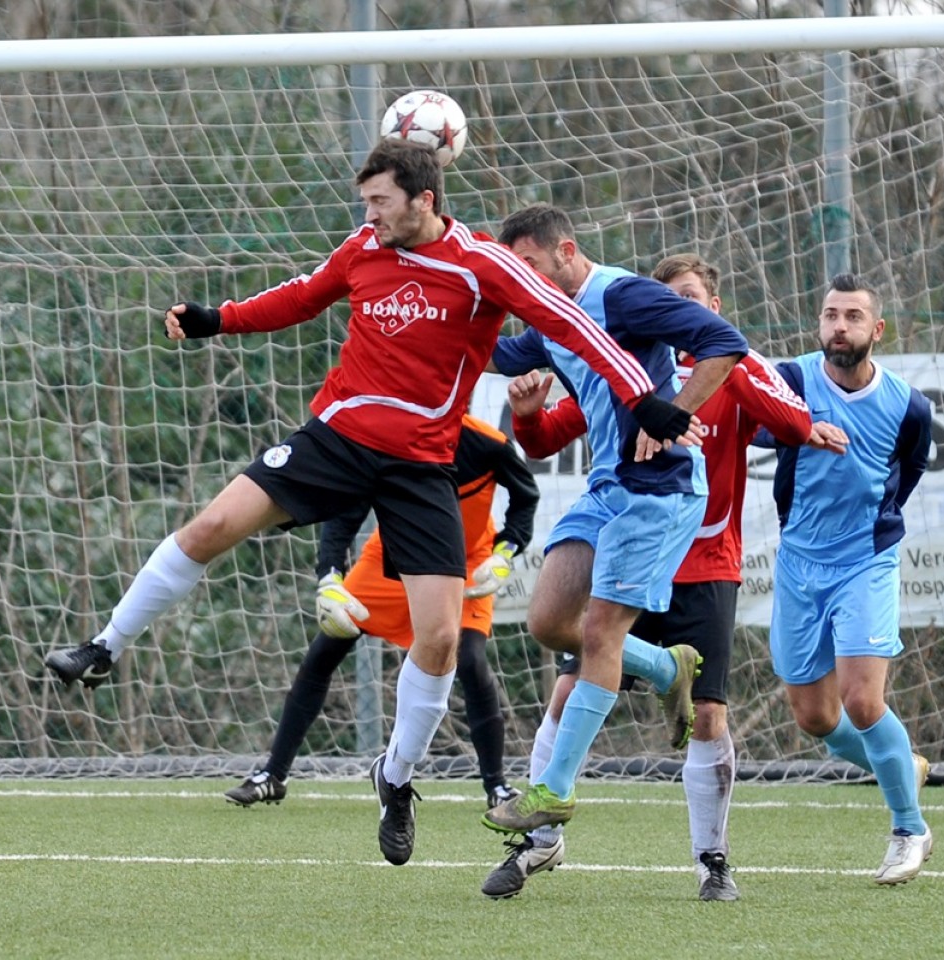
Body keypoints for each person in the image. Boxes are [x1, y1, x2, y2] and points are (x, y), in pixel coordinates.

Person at [41, 140, 696, 868]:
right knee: (212, 525)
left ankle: (396, 777)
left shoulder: (484, 265)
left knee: (443, 639)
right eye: (366, 203)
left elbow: (573, 327)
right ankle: (104, 647)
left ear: (424, 199)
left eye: (380, 201)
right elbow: (300, 296)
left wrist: (645, 400)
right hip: (337, 436)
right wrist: (215, 319)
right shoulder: (363, 248)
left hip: (420, 467)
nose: (370, 215)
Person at [482, 254, 821, 901]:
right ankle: (540, 841)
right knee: (567, 670)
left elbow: (787, 419)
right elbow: (549, 436)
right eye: (669, 299)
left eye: (690, 297)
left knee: (709, 715)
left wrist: (815, 428)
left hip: (702, 561)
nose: (678, 309)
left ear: (710, 307)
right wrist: (527, 415)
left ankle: (712, 861)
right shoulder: (627, 368)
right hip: (625, 544)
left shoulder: (730, 375)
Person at [479, 206, 748, 844]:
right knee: (550, 623)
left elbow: (724, 342)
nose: (524, 283)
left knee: (599, 633)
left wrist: (671, 414)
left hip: (661, 489)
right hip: (608, 489)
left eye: (531, 267)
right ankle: (665, 670)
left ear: (567, 252)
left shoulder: (623, 296)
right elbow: (495, 355)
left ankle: (554, 792)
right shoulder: (550, 319)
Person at [224, 413, 538, 810]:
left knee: (470, 660)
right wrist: (330, 579)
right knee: (326, 647)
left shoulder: (489, 443)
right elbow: (346, 512)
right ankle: (274, 774)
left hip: (465, 563)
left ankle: (497, 786)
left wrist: (505, 551)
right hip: (392, 556)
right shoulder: (386, 433)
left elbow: (526, 496)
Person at [759, 272, 934, 885]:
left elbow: (905, 474)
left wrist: (872, 524)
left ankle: (908, 829)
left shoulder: (909, 406)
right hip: (798, 562)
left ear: (876, 329)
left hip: (865, 559)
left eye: (853, 316)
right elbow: (749, 424)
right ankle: (900, 764)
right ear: (818, 325)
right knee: (814, 716)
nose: (840, 326)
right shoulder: (791, 381)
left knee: (863, 699)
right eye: (831, 314)